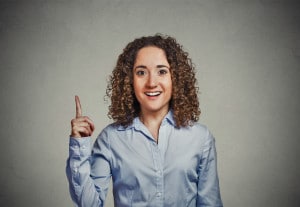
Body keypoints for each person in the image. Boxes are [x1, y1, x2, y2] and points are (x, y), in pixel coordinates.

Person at [66, 34, 223, 207]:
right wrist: (79, 146)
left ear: (175, 78)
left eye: (162, 71)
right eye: (141, 72)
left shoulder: (200, 138)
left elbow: (210, 204)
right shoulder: (111, 139)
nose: (151, 83)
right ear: (129, 81)